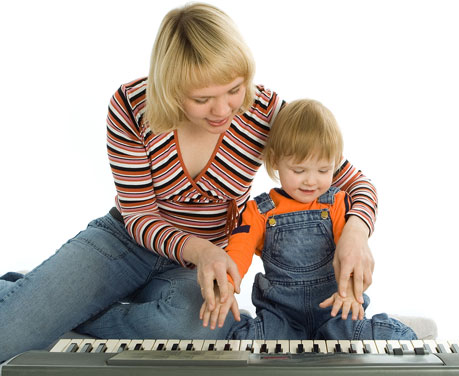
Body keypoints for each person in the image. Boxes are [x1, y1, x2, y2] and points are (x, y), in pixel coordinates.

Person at [0, 3, 377, 362]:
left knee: (207, 328)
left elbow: (357, 184)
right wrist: (201, 250)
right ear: (171, 88)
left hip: (200, 266)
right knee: (8, 338)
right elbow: (140, 216)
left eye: (234, 89)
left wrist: (356, 234)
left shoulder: (266, 111)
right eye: (203, 98)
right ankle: (28, 302)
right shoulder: (132, 107)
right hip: (126, 243)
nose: (224, 109)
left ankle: (50, 312)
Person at [199, 99, 416, 341]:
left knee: (370, 336)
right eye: (299, 171)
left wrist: (352, 293)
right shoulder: (258, 211)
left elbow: (351, 260)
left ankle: (396, 329)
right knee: (243, 341)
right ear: (275, 162)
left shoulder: (337, 204)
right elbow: (238, 252)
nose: (311, 181)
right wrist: (227, 284)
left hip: (335, 310)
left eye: (323, 170)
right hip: (281, 315)